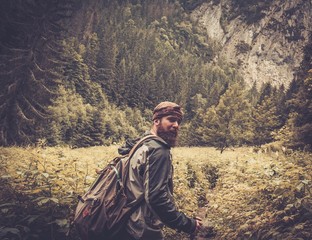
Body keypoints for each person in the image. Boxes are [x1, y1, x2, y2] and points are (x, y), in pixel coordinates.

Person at [115, 101, 203, 240]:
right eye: (171, 120)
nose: (176, 125)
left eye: (178, 121)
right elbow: (156, 197)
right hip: (143, 229)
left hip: (126, 221)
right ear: (156, 121)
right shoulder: (158, 150)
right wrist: (187, 224)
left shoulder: (142, 143)